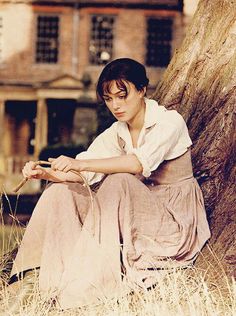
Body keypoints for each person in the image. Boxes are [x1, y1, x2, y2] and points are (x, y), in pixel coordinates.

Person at [9, 58, 210, 310]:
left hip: (172, 222)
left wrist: (79, 164)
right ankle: (34, 277)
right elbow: (85, 170)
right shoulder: (117, 132)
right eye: (109, 98)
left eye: (122, 96)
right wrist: (46, 174)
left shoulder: (169, 122)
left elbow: (137, 164)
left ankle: (86, 289)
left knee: (119, 182)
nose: (116, 105)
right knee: (59, 192)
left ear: (142, 90)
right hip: (132, 214)